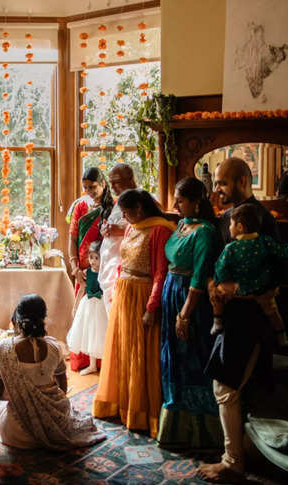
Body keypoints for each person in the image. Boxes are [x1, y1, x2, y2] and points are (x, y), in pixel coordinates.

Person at [199, 157, 280, 483]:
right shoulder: (227, 217)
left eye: (221, 183)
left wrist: (234, 288)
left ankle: (234, 462)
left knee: (227, 388)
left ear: (243, 182)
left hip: (247, 318)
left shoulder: (262, 220)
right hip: (229, 316)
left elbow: (275, 274)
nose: (216, 189)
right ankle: (238, 453)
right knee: (228, 388)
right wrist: (211, 286)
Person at [92, 189, 175, 439]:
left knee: (141, 351)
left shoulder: (160, 229)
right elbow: (122, 262)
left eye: (126, 213)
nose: (124, 218)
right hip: (124, 294)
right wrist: (117, 289)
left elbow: (161, 272)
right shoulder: (131, 227)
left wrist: (151, 306)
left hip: (143, 294)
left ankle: (141, 411)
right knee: (123, 349)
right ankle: (121, 404)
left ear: (139, 208)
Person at [0, 294, 106, 450]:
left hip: (17, 433)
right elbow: (63, 390)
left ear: (17, 318)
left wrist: (23, 397)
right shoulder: (54, 346)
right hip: (56, 422)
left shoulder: (3, 348)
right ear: (44, 318)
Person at [158, 177, 221, 449]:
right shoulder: (182, 225)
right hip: (171, 291)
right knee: (171, 355)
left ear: (196, 202)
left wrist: (184, 314)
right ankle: (174, 426)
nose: (175, 205)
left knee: (191, 356)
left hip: (190, 299)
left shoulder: (205, 232)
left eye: (180, 200)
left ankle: (201, 432)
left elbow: (199, 276)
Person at [212, 204, 288, 347]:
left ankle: (217, 321)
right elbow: (282, 251)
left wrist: (220, 281)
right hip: (261, 287)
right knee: (272, 311)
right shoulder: (265, 241)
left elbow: (220, 267)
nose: (229, 227)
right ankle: (282, 336)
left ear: (240, 227)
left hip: (239, 288)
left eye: (231, 224)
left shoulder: (231, 248)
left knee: (217, 294)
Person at [67, 167, 114, 371]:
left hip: (104, 268)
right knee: (84, 317)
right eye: (85, 187)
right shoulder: (81, 206)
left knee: (102, 315)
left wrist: (102, 267)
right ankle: (86, 361)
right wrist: (74, 265)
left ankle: (105, 362)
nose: (89, 191)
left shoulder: (112, 207)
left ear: (103, 184)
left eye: (92, 187)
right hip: (83, 268)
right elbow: (73, 236)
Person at [98, 164, 137, 313]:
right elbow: (114, 227)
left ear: (130, 180)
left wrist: (121, 230)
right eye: (110, 182)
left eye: (116, 182)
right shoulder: (119, 202)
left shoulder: (141, 199)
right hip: (108, 265)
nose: (112, 187)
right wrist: (105, 229)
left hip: (124, 269)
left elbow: (148, 230)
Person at [66, 241, 107, 375]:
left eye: (97, 258)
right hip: (88, 305)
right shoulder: (86, 273)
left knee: (102, 334)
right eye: (91, 257)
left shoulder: (105, 273)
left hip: (101, 306)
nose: (93, 261)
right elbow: (82, 289)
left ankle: (107, 365)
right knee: (90, 334)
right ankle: (92, 365)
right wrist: (75, 306)